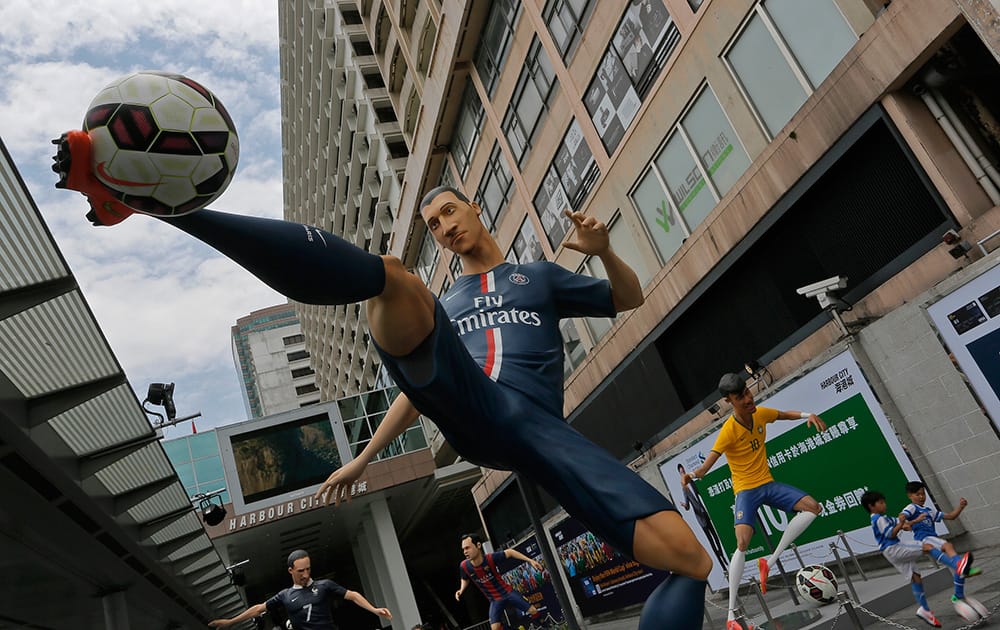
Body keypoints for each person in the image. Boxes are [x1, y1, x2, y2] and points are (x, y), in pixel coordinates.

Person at [56, 156, 712, 630]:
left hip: (538, 431)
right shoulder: (446, 301)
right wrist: (363, 458)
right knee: (394, 282)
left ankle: (144, 200)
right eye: (432, 222)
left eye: (450, 211)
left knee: (685, 561)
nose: (444, 226)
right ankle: (153, 203)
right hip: (480, 415)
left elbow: (627, 298)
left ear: (475, 209)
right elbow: (420, 388)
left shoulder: (537, 278)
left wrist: (600, 251)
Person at [681, 373, 826, 630]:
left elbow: (783, 414)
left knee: (814, 508)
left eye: (747, 392)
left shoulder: (760, 413)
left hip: (768, 485)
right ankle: (730, 616)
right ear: (729, 401)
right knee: (742, 543)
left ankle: (768, 563)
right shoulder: (728, 432)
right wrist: (690, 475)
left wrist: (808, 415)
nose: (749, 399)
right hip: (746, 491)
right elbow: (704, 469)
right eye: (741, 397)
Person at [207, 549, 391, 629]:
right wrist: (230, 622)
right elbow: (258, 609)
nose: (305, 574)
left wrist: (374, 609)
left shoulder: (324, 585)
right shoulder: (285, 595)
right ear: (291, 570)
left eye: (308, 569)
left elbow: (353, 595)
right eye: (300, 571)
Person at [862, 490, 948, 627]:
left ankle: (925, 610)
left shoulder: (883, 518)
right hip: (894, 548)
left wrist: (912, 521)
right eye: (881, 503)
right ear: (871, 506)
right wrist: (901, 523)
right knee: (928, 547)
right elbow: (891, 533)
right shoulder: (879, 519)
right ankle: (957, 565)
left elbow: (903, 524)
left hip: (891, 551)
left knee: (915, 576)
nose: (884, 505)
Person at [900, 481, 980, 609]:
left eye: (923, 494)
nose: (921, 497)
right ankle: (963, 568)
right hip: (924, 540)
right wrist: (910, 522)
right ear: (910, 495)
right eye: (917, 494)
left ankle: (958, 595)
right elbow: (902, 518)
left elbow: (951, 516)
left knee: (955, 567)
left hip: (932, 542)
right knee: (948, 546)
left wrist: (961, 506)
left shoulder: (929, 511)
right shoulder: (912, 508)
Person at [455, 534, 542, 630]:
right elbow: (465, 578)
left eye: (467, 548)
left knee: (533, 610)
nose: (465, 552)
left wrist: (530, 561)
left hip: (507, 592)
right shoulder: (464, 566)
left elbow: (510, 552)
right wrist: (461, 589)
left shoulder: (490, 558)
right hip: (494, 599)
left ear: (478, 545)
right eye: (463, 549)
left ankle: (545, 627)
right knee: (495, 628)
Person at [677, 463, 729, 571]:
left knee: (716, 536)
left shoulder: (692, 483)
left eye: (684, 471)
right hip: (700, 518)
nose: (683, 473)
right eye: (681, 472)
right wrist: (684, 505)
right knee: (711, 541)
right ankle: (722, 565)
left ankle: (723, 556)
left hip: (705, 513)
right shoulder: (685, 489)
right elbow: (688, 506)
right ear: (680, 474)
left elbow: (702, 494)